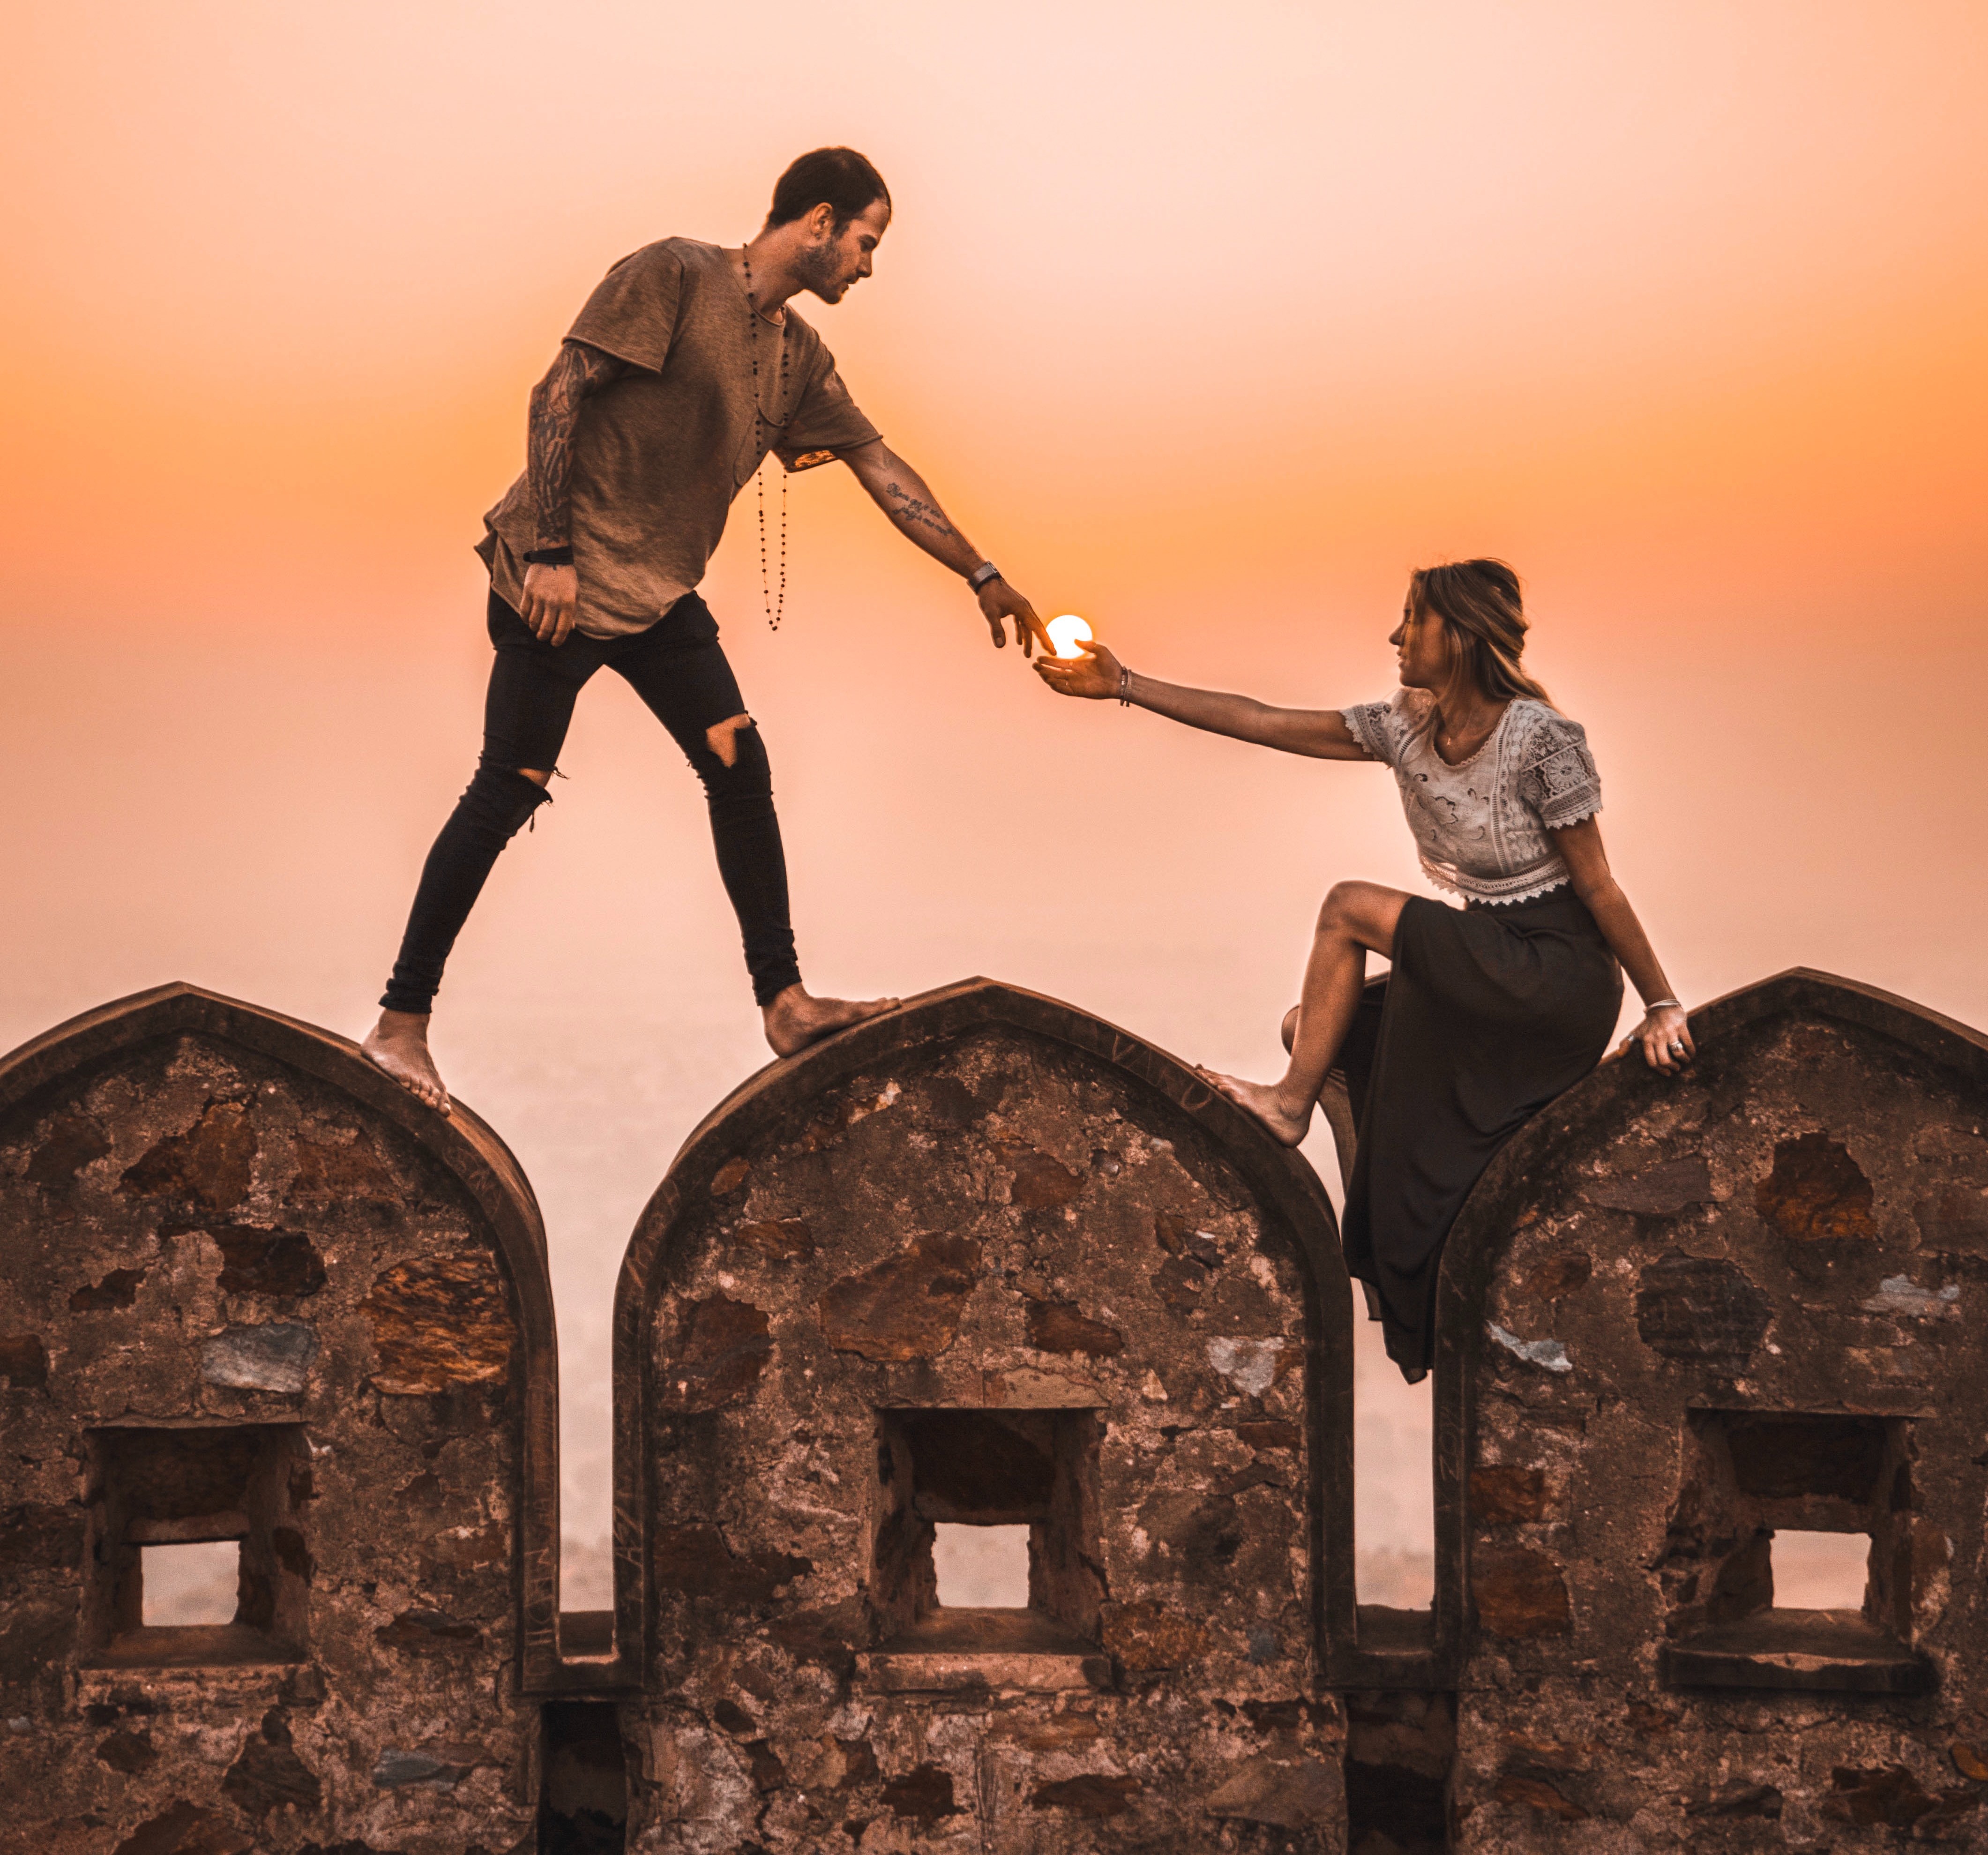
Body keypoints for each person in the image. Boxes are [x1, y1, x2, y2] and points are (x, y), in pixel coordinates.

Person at [363, 147, 1048, 1113]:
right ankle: (400, 1026)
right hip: (553, 582)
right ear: (817, 221)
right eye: (865, 241)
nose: (867, 265)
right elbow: (556, 392)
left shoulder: (800, 357)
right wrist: (552, 549)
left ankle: (785, 1001)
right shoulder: (675, 274)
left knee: (738, 760)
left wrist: (983, 573)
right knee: (509, 784)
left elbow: (883, 469)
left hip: (656, 597)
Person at [1034, 560, 1691, 1381]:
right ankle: (1378, 1197)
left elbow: (1596, 884)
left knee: (1347, 905)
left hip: (1552, 973)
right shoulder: (1405, 726)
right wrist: (1124, 682)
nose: (1394, 635)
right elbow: (1261, 718)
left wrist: (1660, 1001)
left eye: (1411, 618)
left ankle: (1286, 1106)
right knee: (1314, 1032)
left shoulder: (1541, 741)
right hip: (1483, 953)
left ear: (1457, 634)